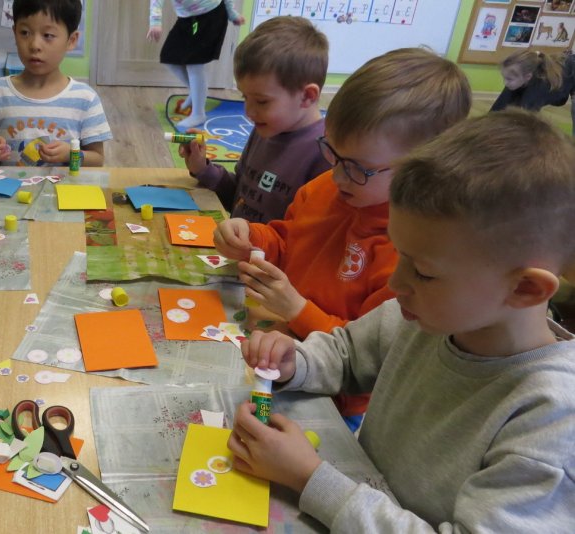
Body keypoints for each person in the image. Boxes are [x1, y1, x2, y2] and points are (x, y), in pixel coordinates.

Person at [229, 110, 575, 532]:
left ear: (525, 289)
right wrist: (294, 362)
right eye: (400, 256)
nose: (396, 283)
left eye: (423, 272)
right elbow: (347, 353)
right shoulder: (425, 316)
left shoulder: (552, 418)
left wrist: (309, 478)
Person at [214, 48, 471, 427]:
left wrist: (297, 310)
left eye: (358, 168)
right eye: (332, 152)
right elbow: (287, 241)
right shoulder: (324, 189)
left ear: (423, 172)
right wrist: (251, 238)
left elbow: (365, 354)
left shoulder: (410, 251)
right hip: (279, 354)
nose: (336, 175)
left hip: (338, 401)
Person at [181, 16, 331, 223]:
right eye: (245, 97)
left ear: (307, 96)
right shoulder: (266, 128)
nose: (249, 112)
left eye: (261, 101)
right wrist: (203, 169)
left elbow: (311, 234)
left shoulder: (326, 155)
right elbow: (240, 198)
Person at [0, 0, 112, 167]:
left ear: (71, 40)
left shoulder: (85, 98)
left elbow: (97, 159)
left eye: (48, 35)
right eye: (25, 33)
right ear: (14, 33)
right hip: (10, 184)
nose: (34, 45)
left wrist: (71, 154)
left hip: (63, 184)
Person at [147, 0, 245, 130]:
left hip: (211, 16)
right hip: (187, 19)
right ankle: (196, 92)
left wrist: (232, 13)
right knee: (169, 57)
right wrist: (155, 22)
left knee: (194, 64)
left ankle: (198, 114)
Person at [489, 49, 569, 112]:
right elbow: (497, 109)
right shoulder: (518, 77)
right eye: (504, 78)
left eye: (509, 79)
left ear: (527, 77)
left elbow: (526, 120)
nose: (505, 83)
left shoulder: (538, 88)